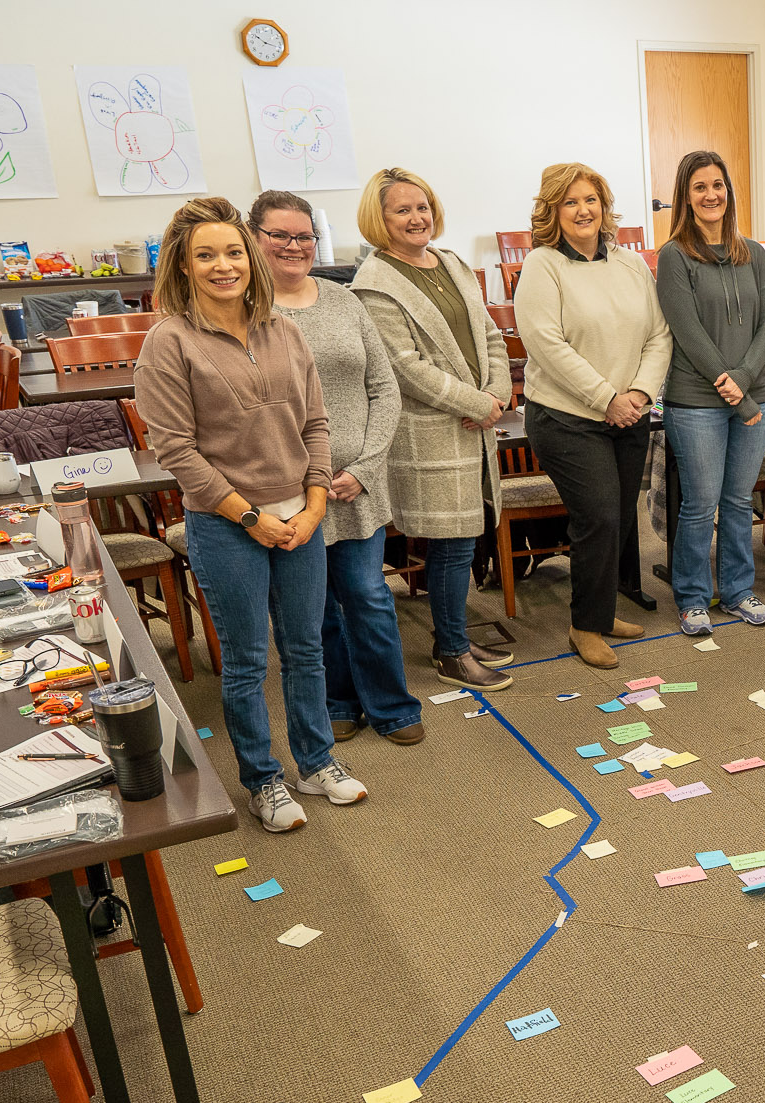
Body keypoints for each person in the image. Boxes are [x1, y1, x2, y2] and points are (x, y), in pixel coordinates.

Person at [137, 197, 367, 832]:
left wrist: (316, 502)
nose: (222, 265)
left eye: (232, 252)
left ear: (250, 259)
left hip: (301, 514)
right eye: (204, 255)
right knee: (245, 662)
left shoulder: (283, 331)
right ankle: (264, 782)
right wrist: (248, 518)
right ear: (182, 267)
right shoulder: (169, 342)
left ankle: (316, 764)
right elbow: (176, 451)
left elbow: (315, 423)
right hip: (226, 524)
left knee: (306, 650)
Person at [249, 190, 424, 745]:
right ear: (255, 239)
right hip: (290, 491)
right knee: (313, 607)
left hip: (356, 484)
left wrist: (368, 467)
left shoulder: (345, 302)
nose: (295, 246)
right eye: (280, 235)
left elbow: (384, 388)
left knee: (367, 595)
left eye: (305, 236)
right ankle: (339, 700)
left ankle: (394, 706)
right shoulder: (247, 314)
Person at [349, 167, 515, 691]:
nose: (416, 218)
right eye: (402, 210)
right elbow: (404, 366)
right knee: (451, 542)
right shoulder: (373, 284)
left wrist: (499, 394)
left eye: (422, 207)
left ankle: (457, 636)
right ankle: (451, 652)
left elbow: (488, 331)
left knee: (464, 538)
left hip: (475, 418)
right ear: (380, 220)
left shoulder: (450, 262)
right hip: (431, 430)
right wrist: (478, 402)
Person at [513, 162, 672, 668]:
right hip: (566, 416)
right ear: (552, 211)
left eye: (591, 200)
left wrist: (642, 393)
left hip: (630, 412)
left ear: (604, 207)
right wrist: (608, 397)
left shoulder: (629, 264)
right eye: (570, 202)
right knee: (599, 515)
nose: (583, 210)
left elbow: (659, 334)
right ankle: (584, 628)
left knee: (620, 518)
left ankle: (601, 614)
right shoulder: (543, 265)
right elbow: (546, 344)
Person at [654, 151, 765, 638]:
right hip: (695, 400)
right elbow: (687, 333)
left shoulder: (754, 251)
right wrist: (733, 389)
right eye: (700, 187)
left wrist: (745, 381)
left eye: (718, 185)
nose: (712, 195)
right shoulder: (675, 256)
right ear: (686, 197)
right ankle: (690, 598)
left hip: (754, 394)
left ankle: (737, 590)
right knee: (700, 503)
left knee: (737, 499)